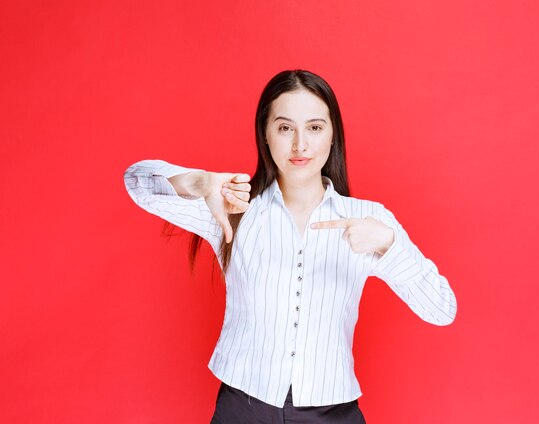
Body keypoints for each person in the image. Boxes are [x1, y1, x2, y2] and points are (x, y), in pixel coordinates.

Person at [124, 69, 457, 423]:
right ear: (265, 135)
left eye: (315, 127)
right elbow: (137, 181)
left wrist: (390, 246)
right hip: (243, 407)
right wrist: (200, 181)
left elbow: (442, 309)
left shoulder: (368, 219)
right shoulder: (233, 208)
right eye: (285, 128)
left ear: (333, 136)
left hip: (332, 412)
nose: (301, 145)